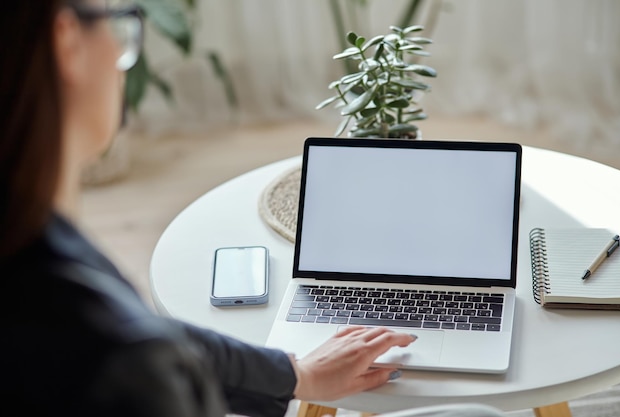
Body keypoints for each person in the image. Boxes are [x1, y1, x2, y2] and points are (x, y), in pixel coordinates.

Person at [0, 1, 504, 417]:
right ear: (66, 41)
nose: (121, 51)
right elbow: (140, 345)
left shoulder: (32, 246)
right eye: (118, 22)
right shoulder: (121, 364)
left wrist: (296, 374)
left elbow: (159, 339)